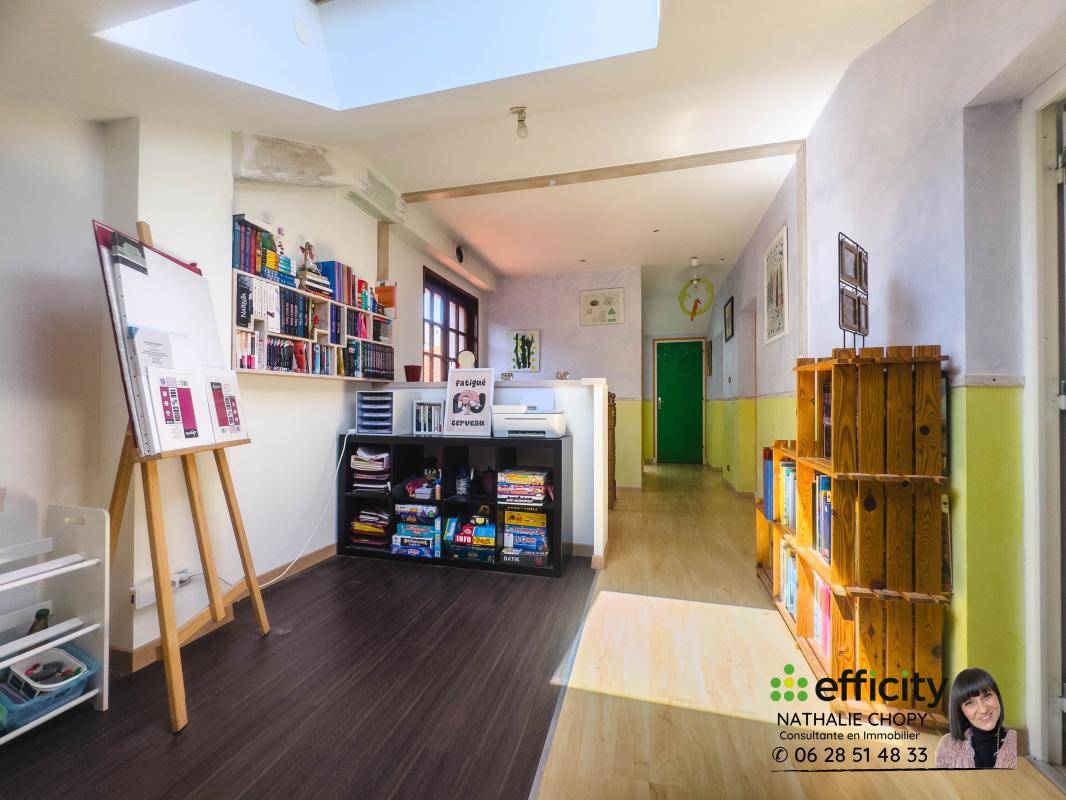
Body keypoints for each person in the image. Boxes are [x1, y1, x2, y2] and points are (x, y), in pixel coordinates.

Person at [935, 668, 1016, 769]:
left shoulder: (1018, 742)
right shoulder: (947, 746)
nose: (983, 710)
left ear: (997, 696)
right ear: (961, 711)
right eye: (969, 703)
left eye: (987, 696)